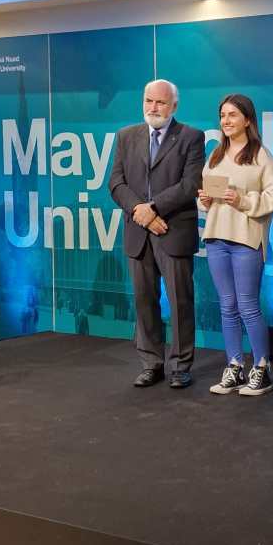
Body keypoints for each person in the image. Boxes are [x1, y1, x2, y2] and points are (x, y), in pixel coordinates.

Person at [109, 79, 204, 389]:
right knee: (144, 301)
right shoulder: (126, 136)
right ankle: (151, 363)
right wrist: (141, 211)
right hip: (139, 232)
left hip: (174, 231)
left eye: (160, 102)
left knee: (180, 302)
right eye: (148, 100)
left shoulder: (191, 137)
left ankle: (180, 366)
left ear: (174, 106)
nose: (153, 107)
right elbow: (116, 183)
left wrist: (153, 208)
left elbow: (190, 184)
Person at [198, 94, 273, 396]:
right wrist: (205, 200)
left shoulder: (261, 156)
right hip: (216, 237)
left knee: (247, 305)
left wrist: (242, 199)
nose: (226, 120)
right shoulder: (216, 154)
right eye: (222, 115)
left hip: (246, 239)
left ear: (247, 119)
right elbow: (206, 197)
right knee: (227, 305)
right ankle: (234, 365)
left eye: (232, 115)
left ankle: (261, 367)